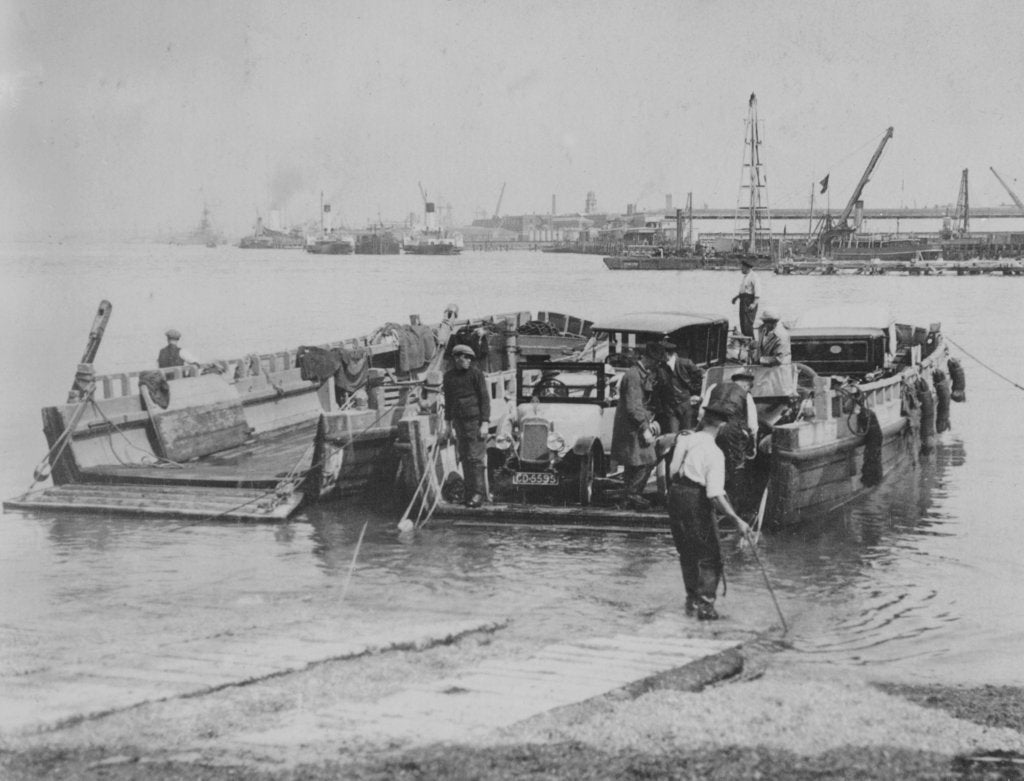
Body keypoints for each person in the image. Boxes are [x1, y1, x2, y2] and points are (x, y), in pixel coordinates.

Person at [667, 404, 751, 620]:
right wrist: (737, 520)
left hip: (676, 495)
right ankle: (705, 608)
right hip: (696, 498)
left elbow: (673, 471)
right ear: (722, 427)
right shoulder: (715, 453)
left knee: (687, 550)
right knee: (711, 555)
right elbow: (714, 494)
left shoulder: (686, 440)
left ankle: (691, 600)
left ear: (703, 421)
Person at [611, 341, 663, 510]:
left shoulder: (638, 373)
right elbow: (633, 406)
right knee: (648, 460)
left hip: (632, 425)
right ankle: (632, 495)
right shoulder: (634, 376)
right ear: (649, 359)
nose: (657, 365)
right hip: (632, 427)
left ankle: (626, 501)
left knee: (633, 465)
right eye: (656, 361)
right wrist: (645, 427)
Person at [443, 343, 491, 508]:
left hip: (474, 422)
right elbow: (448, 401)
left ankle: (479, 494)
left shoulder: (476, 374)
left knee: (475, 457)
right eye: (465, 358)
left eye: (470, 358)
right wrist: (448, 423)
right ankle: (470, 493)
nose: (468, 361)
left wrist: (485, 423)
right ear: (457, 358)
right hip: (458, 422)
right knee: (464, 456)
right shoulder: (448, 377)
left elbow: (484, 399)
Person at [700, 370, 759, 505]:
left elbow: (701, 413)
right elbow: (752, 425)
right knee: (736, 468)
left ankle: (709, 503)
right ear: (747, 385)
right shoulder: (746, 395)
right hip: (731, 434)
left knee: (710, 465)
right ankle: (733, 506)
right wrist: (753, 446)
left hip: (710, 429)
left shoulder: (713, 387)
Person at [654, 340, 703, 433]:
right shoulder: (660, 367)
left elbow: (698, 376)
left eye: (661, 353)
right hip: (670, 407)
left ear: (666, 354)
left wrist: (695, 393)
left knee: (686, 433)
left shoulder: (686, 363)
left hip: (685, 404)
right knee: (672, 434)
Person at [730, 260, 760, 337]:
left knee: (748, 324)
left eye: (742, 267)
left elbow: (758, 291)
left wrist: (754, 303)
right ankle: (746, 341)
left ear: (747, 267)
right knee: (743, 323)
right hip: (743, 301)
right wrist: (736, 298)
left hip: (749, 302)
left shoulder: (754, 276)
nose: (741, 269)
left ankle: (751, 342)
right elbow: (744, 291)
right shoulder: (746, 277)